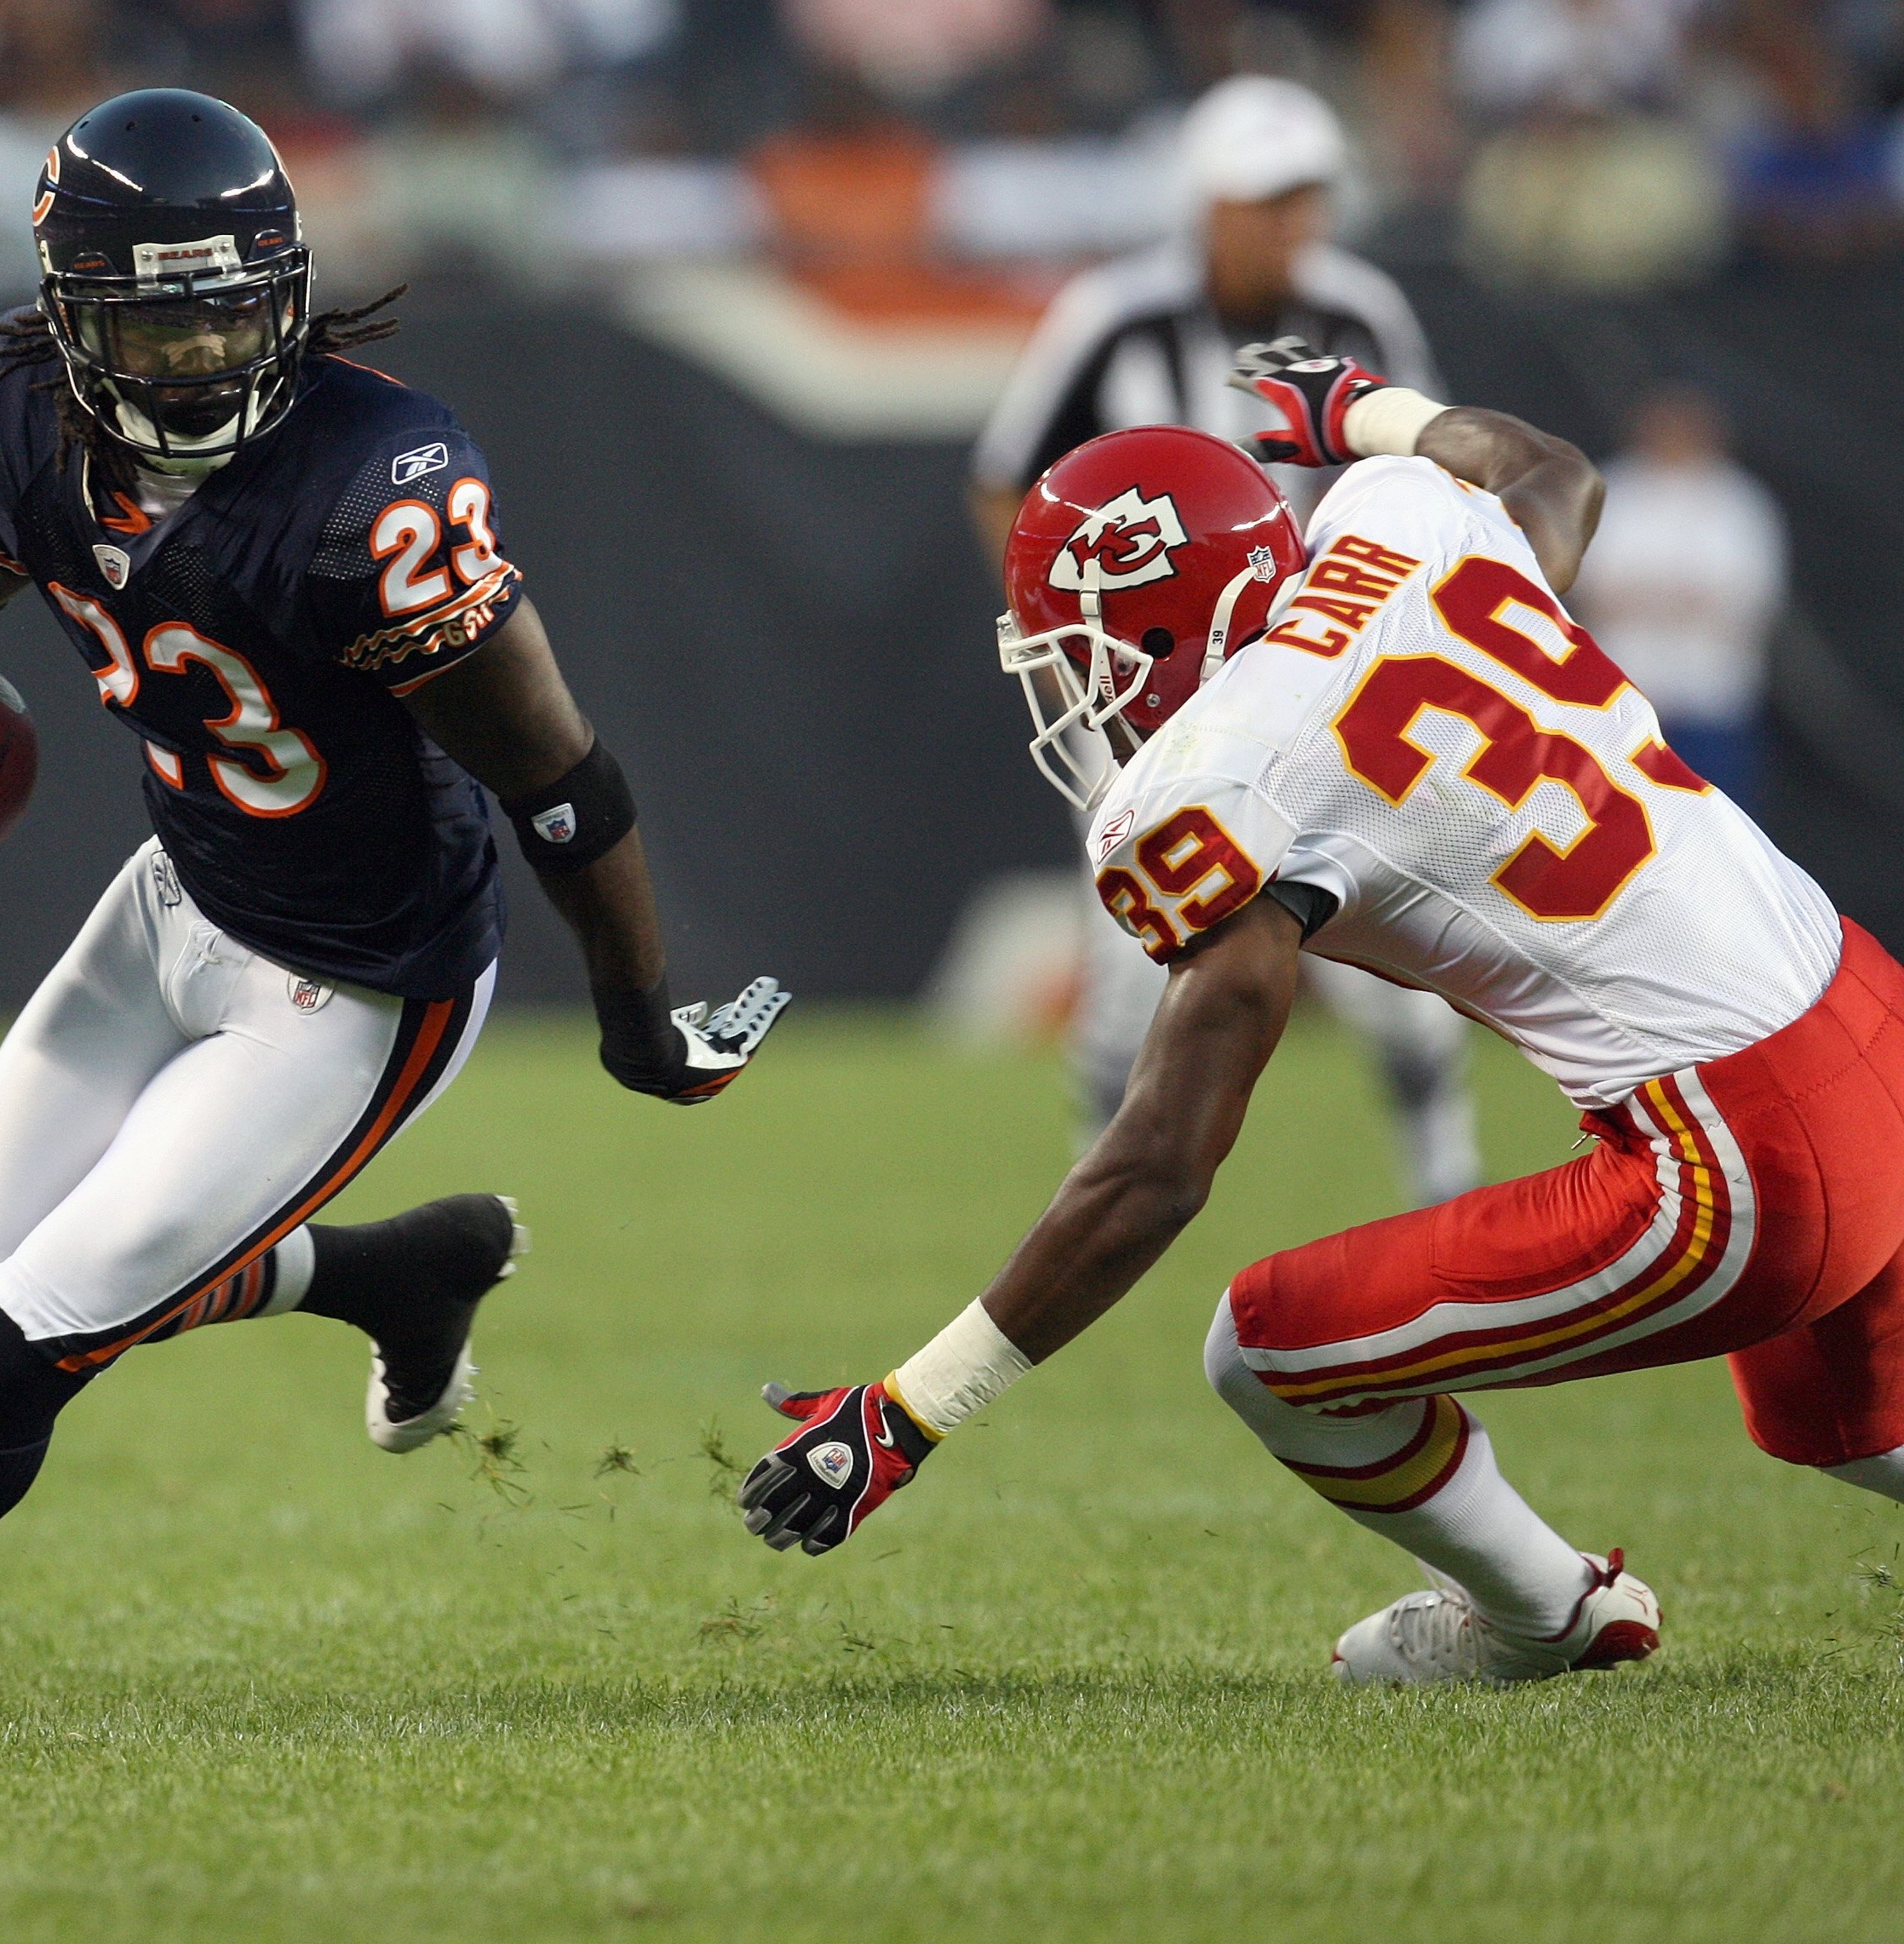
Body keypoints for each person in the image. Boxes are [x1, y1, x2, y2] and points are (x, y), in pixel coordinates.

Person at [0, 89, 784, 1730]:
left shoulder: (376, 484)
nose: (206, 359)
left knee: (14, 1354)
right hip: (176, 896)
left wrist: (639, 1015)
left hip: (357, 986)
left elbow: (559, 779)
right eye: (156, 329)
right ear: (69, 315)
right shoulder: (7, 407)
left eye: (233, 312)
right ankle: (387, 1275)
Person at [742, 345, 1899, 1683]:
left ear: (1173, 627)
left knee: (1271, 1346)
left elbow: (1160, 1165)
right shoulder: (1394, 516)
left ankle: (1542, 1614)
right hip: (1862, 1004)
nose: (1081, 689)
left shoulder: (1230, 773)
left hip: (1734, 1149)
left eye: (1091, 652)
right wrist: (1371, 415)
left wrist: (910, 1408)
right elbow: (1551, 474)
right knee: (1857, 1426)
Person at [968, 73, 1477, 1206]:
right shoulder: (1114, 317)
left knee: (1379, 906)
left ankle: (1444, 1165)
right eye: (1269, 201)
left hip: (1321, 661)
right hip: (1148, 675)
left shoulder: (1360, 311)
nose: (1294, 226)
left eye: (1307, 199)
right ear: (1208, 204)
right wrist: (1075, 634)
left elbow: (1432, 478)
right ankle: (1098, 1180)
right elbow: (1009, 485)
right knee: (1126, 942)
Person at [1569, 387, 1785, 807]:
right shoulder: (1613, 489)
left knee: (1720, 815)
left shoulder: (1740, 502)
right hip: (1622, 696)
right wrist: (1676, 601)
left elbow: (1749, 601)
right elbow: (1589, 587)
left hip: (1710, 697)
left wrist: (1648, 599)